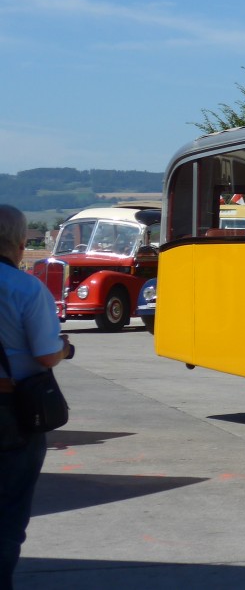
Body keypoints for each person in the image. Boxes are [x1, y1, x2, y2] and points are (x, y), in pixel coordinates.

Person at [1, 204, 73, 589]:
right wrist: (64, 349)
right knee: (8, 511)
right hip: (12, 410)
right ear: (17, 241)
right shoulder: (27, 288)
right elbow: (46, 355)